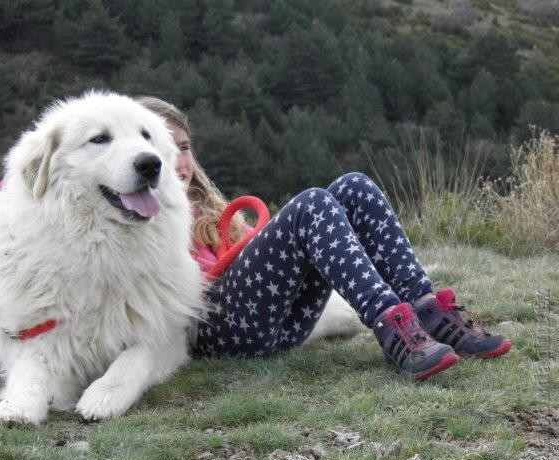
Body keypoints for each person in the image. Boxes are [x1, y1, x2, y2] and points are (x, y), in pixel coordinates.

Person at [137, 96, 512, 381]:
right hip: (216, 335)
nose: (178, 161)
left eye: (183, 147)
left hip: (275, 324)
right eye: (163, 149)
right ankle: (391, 326)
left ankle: (430, 312)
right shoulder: (138, 218)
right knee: (312, 203)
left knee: (355, 187)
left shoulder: (210, 212)